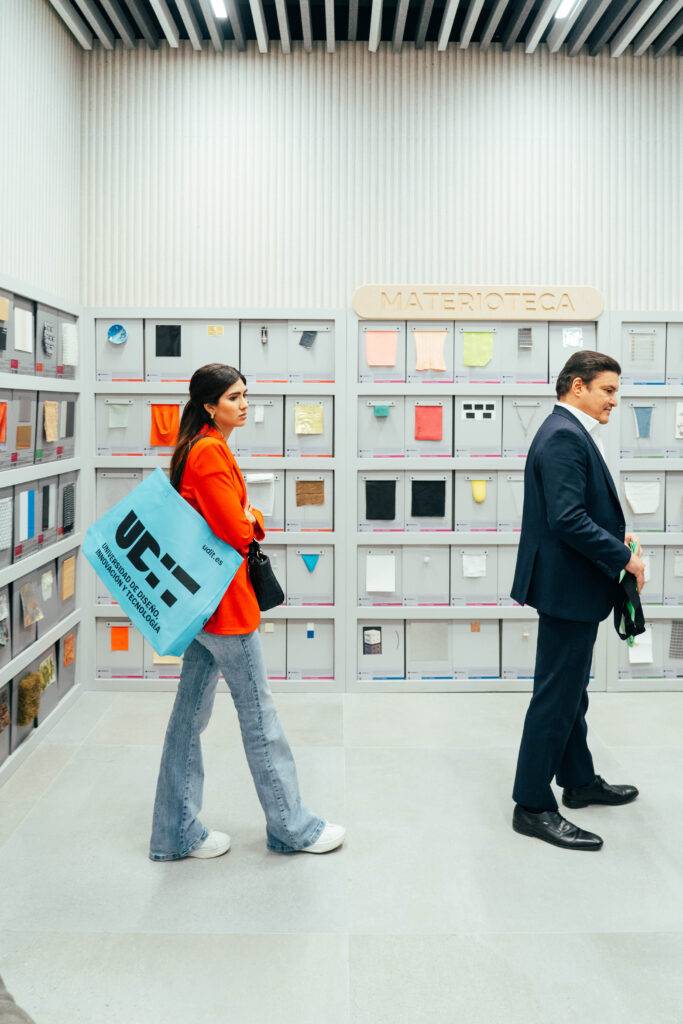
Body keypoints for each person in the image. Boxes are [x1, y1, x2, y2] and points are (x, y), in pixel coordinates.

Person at [149, 363, 345, 860]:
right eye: (233, 397)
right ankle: (291, 826)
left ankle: (175, 832)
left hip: (202, 608)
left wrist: (242, 515)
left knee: (188, 719)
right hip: (226, 611)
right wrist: (255, 515)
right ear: (210, 406)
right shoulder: (210, 452)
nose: (243, 404)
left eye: (245, 395)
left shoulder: (198, 448)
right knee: (259, 716)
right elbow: (236, 530)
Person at [510, 350, 642, 851]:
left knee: (571, 691)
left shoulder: (566, 430)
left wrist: (618, 546)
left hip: (571, 585)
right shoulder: (564, 436)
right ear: (577, 386)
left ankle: (579, 781)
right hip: (567, 588)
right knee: (556, 695)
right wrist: (624, 559)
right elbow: (568, 518)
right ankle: (532, 804)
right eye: (607, 390)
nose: (614, 400)